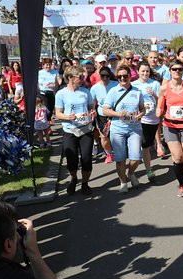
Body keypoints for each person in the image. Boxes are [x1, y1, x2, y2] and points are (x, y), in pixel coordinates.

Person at [157, 58, 183, 197]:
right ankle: (182, 185)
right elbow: (160, 106)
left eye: (179, 69)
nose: (177, 71)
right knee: (177, 157)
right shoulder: (164, 88)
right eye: (174, 69)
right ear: (170, 71)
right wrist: (158, 112)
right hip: (170, 126)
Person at [101, 65, 147, 193]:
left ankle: (131, 173)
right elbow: (105, 110)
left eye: (125, 76)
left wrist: (140, 115)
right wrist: (118, 114)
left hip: (134, 128)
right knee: (120, 159)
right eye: (119, 76)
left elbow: (143, 108)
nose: (122, 78)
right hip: (118, 129)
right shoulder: (113, 92)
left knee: (136, 157)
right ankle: (123, 182)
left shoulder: (137, 91)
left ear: (130, 76)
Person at [54, 66, 96, 196]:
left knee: (86, 158)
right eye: (80, 77)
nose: (83, 79)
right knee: (71, 158)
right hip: (70, 130)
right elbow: (58, 114)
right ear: (70, 78)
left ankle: (85, 183)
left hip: (85, 129)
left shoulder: (85, 92)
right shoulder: (61, 94)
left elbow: (91, 107)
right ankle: (73, 178)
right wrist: (68, 117)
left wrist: (92, 112)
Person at [133, 62, 162, 182]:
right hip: (141, 119)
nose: (145, 73)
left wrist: (154, 94)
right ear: (138, 71)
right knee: (144, 145)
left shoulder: (154, 83)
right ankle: (147, 169)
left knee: (147, 146)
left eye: (147, 71)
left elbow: (161, 100)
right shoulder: (134, 85)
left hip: (153, 119)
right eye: (143, 71)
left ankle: (145, 166)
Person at [89, 66, 117, 163]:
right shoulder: (95, 88)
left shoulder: (116, 85)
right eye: (102, 76)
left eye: (107, 76)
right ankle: (109, 153)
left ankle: (120, 151)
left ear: (110, 76)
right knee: (104, 136)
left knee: (116, 134)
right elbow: (92, 103)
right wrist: (93, 110)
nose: (105, 78)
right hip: (102, 115)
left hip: (115, 113)